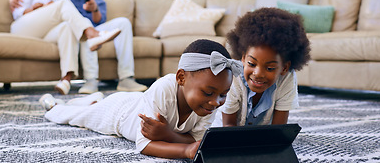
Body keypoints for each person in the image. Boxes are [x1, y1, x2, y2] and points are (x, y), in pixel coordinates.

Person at [38, 39, 242, 159]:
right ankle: (52, 105)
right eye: (208, 93)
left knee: (92, 106)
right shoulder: (164, 89)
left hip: (139, 101)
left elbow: (196, 138)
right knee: (74, 117)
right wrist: (186, 150)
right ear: (181, 78)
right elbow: (144, 144)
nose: (216, 102)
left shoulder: (208, 104)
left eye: (223, 94)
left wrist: (168, 134)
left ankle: (93, 100)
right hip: (118, 114)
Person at [10, 0, 147, 93]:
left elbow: (100, 20)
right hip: (22, 28)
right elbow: (16, 8)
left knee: (70, 26)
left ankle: (67, 79)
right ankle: (91, 35)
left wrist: (94, 10)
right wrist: (21, 3)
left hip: (54, 30)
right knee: (68, 7)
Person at [214, 7, 311, 127]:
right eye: (251, 64)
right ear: (243, 58)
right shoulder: (234, 75)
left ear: (285, 68)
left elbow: (278, 129)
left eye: (270, 68)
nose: (258, 73)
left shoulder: (287, 77)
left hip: (261, 135)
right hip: (223, 130)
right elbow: (228, 126)